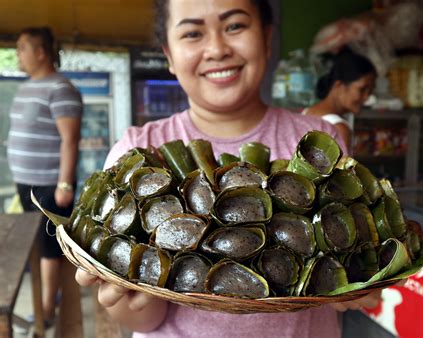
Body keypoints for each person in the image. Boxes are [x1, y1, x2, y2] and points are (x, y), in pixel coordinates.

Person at [75, 1, 382, 337]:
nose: (217, 49)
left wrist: (355, 283)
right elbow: (144, 319)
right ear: (169, 55)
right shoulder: (135, 155)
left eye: (235, 26)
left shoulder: (322, 144)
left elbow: (341, 273)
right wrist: (123, 295)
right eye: (193, 33)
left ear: (267, 37)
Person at [7, 27, 83, 325]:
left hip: (50, 184)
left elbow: (70, 140)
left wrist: (64, 184)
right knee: (37, 244)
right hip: (27, 181)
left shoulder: (60, 88)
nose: (18, 55)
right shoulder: (29, 86)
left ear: (40, 52)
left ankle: (47, 310)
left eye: (22, 48)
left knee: (50, 248)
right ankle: (46, 300)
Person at [303, 51, 376, 153]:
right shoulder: (338, 129)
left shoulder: (305, 113)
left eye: (370, 91)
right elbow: (341, 169)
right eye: (362, 89)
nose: (367, 97)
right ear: (339, 85)